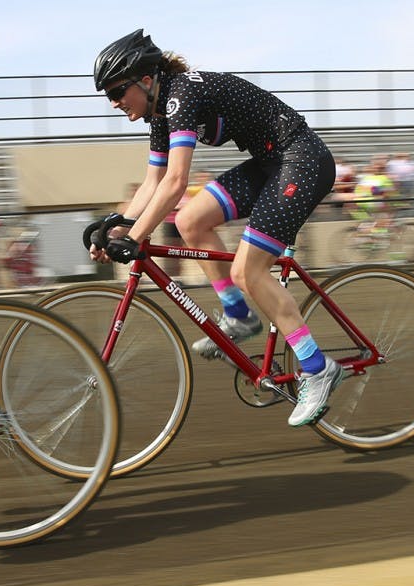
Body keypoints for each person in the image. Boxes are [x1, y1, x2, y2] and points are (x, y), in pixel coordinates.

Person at [89, 29, 342, 428]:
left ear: (147, 80)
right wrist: (116, 227)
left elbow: (176, 181)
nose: (115, 102)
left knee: (248, 271)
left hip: (301, 160)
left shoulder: (181, 95)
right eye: (109, 96)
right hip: (270, 163)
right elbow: (153, 182)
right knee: (190, 220)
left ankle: (317, 367)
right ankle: (239, 316)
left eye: (118, 91)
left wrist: (136, 237)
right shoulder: (160, 112)